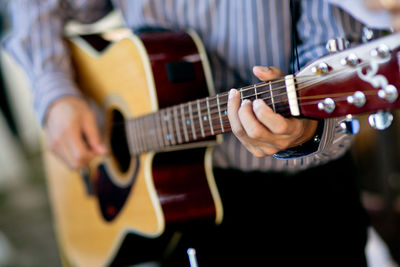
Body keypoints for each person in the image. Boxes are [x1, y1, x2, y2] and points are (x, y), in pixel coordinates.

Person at [4, 1, 372, 266]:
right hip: (163, 207)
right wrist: (55, 93)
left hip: (298, 209)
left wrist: (306, 130)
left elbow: (338, 63)